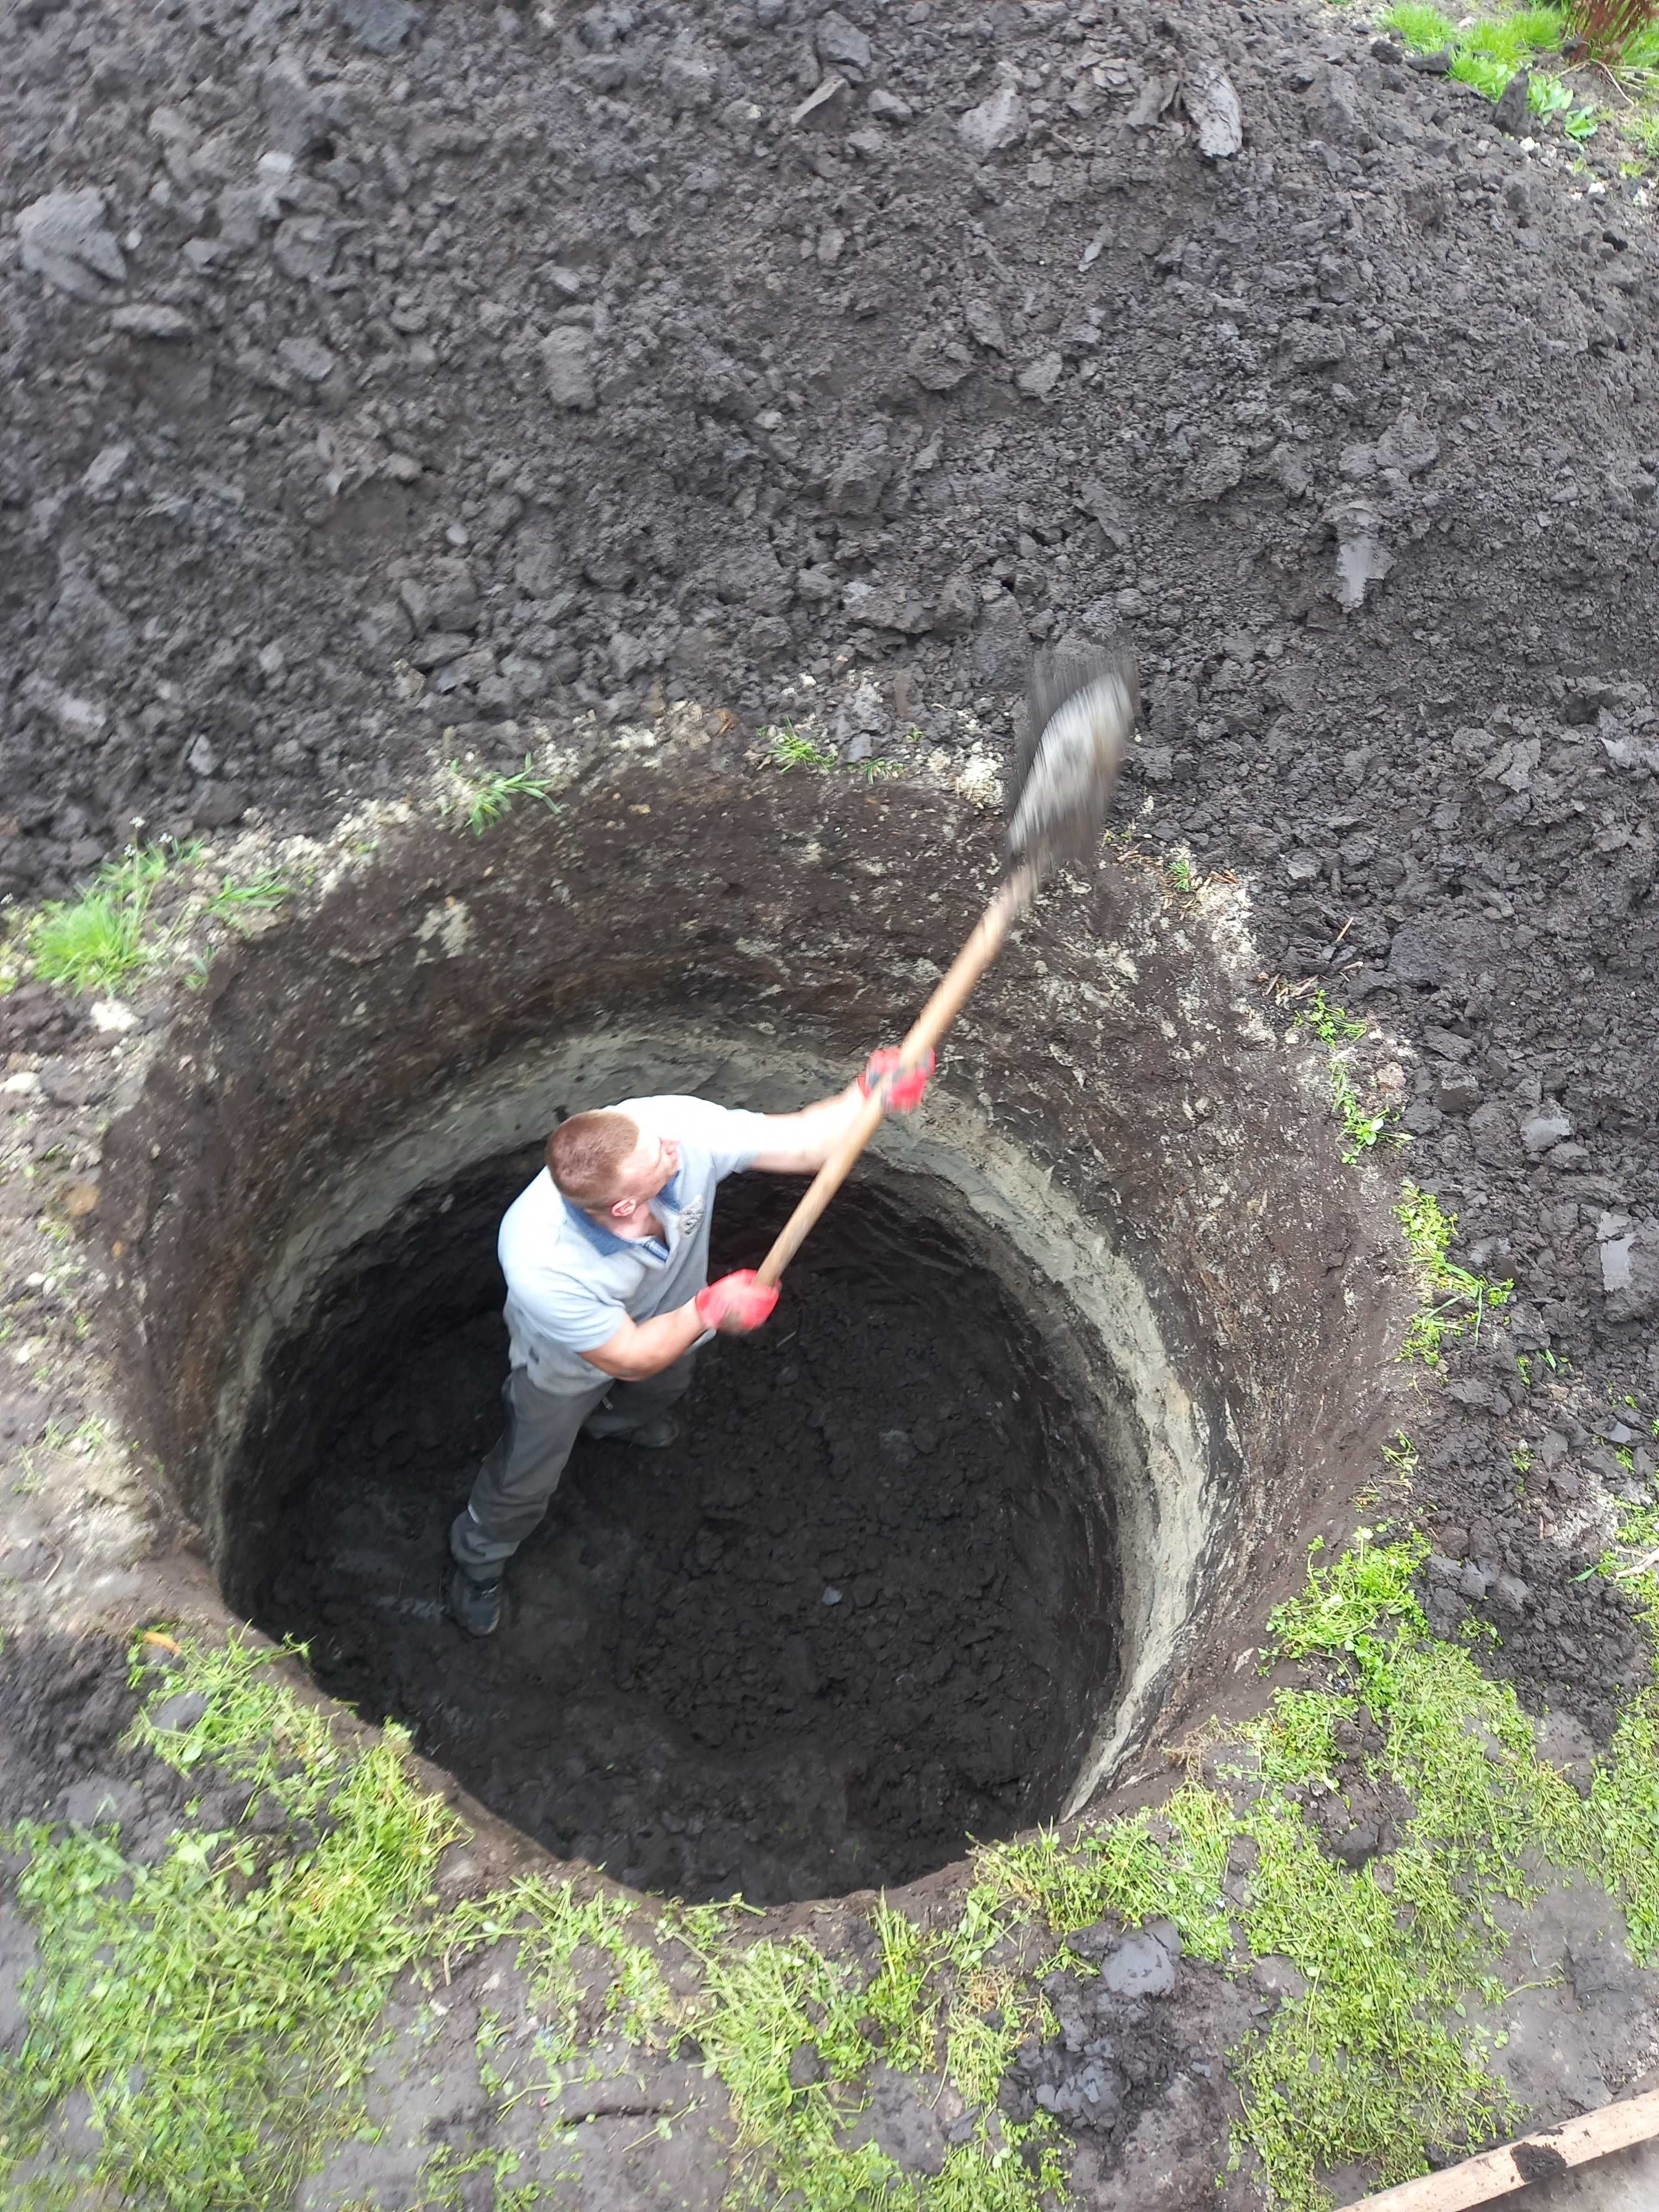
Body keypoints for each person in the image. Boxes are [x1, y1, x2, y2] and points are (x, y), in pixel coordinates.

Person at [444, 1047, 934, 1635]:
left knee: (663, 1387)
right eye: (661, 1158)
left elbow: (804, 1140)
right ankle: (478, 1560)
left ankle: (615, 1426)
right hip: (567, 1363)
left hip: (673, 1318)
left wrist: (868, 1094)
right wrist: (708, 1309)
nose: (675, 1147)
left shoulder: (664, 1126)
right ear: (625, 1204)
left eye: (662, 1143)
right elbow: (627, 1356)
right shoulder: (542, 1261)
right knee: (528, 1474)